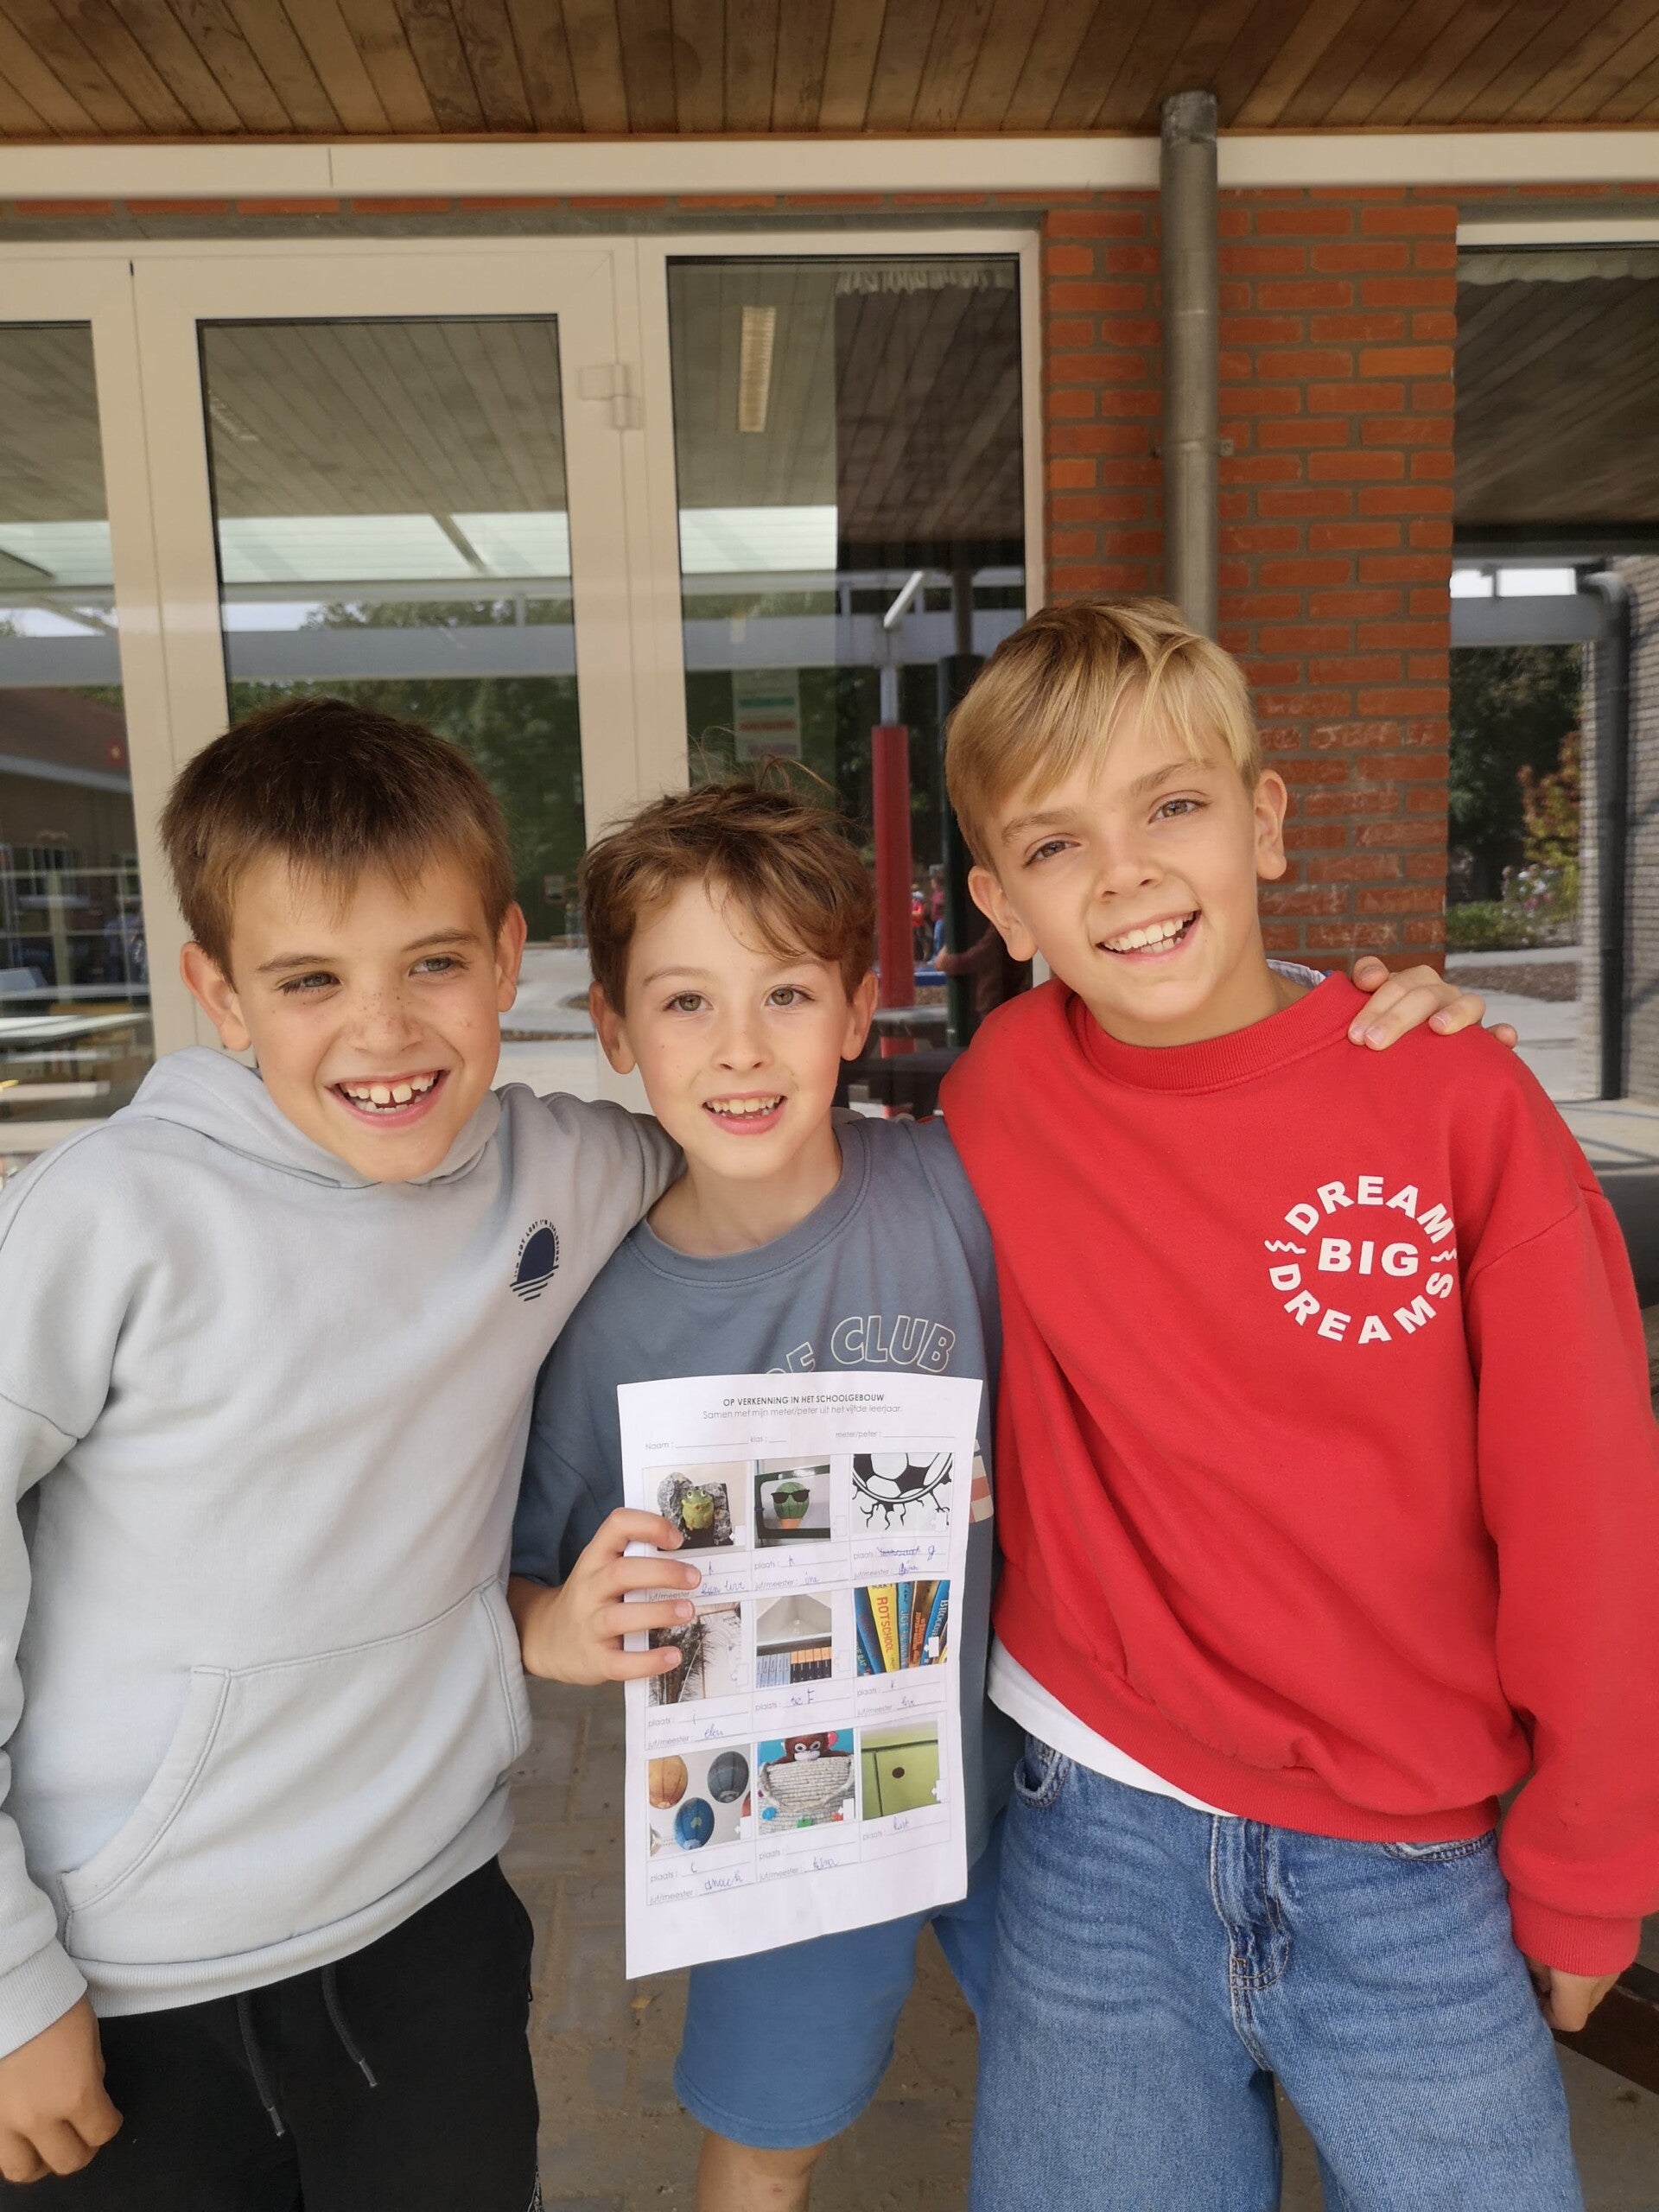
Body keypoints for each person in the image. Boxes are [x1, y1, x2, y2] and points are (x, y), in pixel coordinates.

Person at [505, 775, 1497, 2212]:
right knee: (768, 2144)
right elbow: (524, 1585)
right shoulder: (602, 1322)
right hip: (791, 1813)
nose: (740, 1049)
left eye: (787, 995)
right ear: (612, 1028)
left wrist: (1365, 1039)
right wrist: (560, 1629)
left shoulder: (964, 1182)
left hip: (1040, 1788)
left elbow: (1186, 1127)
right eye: (684, 1004)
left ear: (859, 1011)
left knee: (1150, 2101)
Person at [938, 597, 1659, 2212]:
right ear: (1001, 905)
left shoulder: (1454, 1097)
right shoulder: (998, 1093)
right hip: (1094, 1823)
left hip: (1413, 1861)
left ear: (1264, 822)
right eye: (1055, 845)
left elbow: (1589, 1507)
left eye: (1173, 807)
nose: (1124, 875)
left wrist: (1591, 1861)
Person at [0, 697, 677, 2208]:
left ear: (507, 958)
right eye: (311, 979)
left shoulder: (565, 1169)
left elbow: (764, 1164)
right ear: (220, 994)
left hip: (431, 1925)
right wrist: (6, 1984)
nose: (383, 1031)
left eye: (434, 964)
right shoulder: (108, 1219)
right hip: (125, 1975)